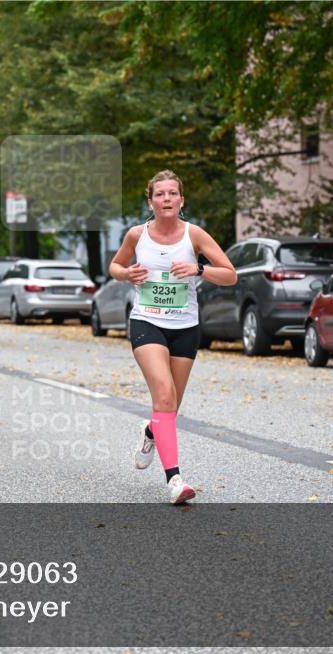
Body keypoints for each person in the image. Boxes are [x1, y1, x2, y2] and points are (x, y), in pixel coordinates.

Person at [108, 170, 237, 504]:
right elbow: (115, 267)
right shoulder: (137, 235)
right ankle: (175, 480)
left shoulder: (195, 235)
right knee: (164, 394)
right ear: (151, 202)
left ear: (181, 200)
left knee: (170, 406)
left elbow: (230, 274)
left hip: (185, 326)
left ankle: (151, 430)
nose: (166, 199)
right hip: (147, 322)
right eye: (159, 194)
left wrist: (199, 269)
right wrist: (127, 274)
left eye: (172, 193)